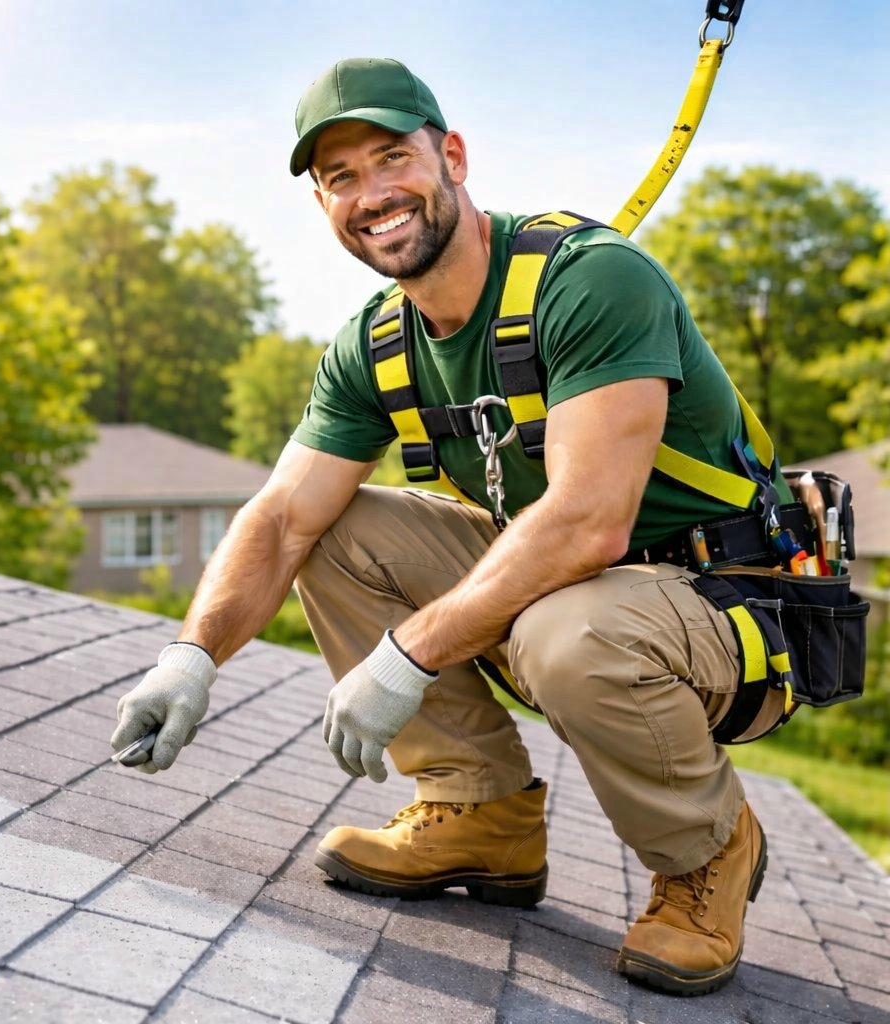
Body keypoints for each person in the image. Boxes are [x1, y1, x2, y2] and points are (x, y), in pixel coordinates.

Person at [111, 57, 785, 997]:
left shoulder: (592, 282)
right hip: (581, 595)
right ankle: (481, 811)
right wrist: (192, 656)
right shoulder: (373, 345)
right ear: (322, 205)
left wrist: (406, 656)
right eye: (340, 178)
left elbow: (590, 520)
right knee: (335, 526)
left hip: (724, 601)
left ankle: (707, 853)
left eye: (393, 158)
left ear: (453, 157)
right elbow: (280, 519)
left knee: (568, 629)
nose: (373, 194)